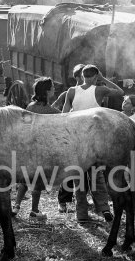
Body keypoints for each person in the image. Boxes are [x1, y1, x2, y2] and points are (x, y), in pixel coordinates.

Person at [63, 64, 124, 223]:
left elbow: (64, 116)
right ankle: (104, 209)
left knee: (79, 180)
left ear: (82, 76)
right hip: (94, 141)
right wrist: (104, 79)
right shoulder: (100, 90)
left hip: (77, 141)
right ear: (96, 76)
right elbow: (120, 92)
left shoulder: (71, 91)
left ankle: (82, 214)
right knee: (97, 177)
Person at [12, 77, 59, 220]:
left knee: (26, 178)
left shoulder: (30, 107)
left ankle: (16, 205)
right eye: (52, 87)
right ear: (47, 91)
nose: (54, 89)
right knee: (38, 180)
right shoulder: (52, 111)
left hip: (28, 148)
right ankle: (34, 211)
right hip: (42, 150)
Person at [52, 64, 86, 212]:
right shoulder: (69, 93)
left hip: (85, 135)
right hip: (70, 135)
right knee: (69, 170)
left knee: (85, 169)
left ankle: (82, 199)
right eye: (84, 76)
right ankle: (63, 201)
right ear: (77, 77)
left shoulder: (92, 92)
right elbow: (53, 109)